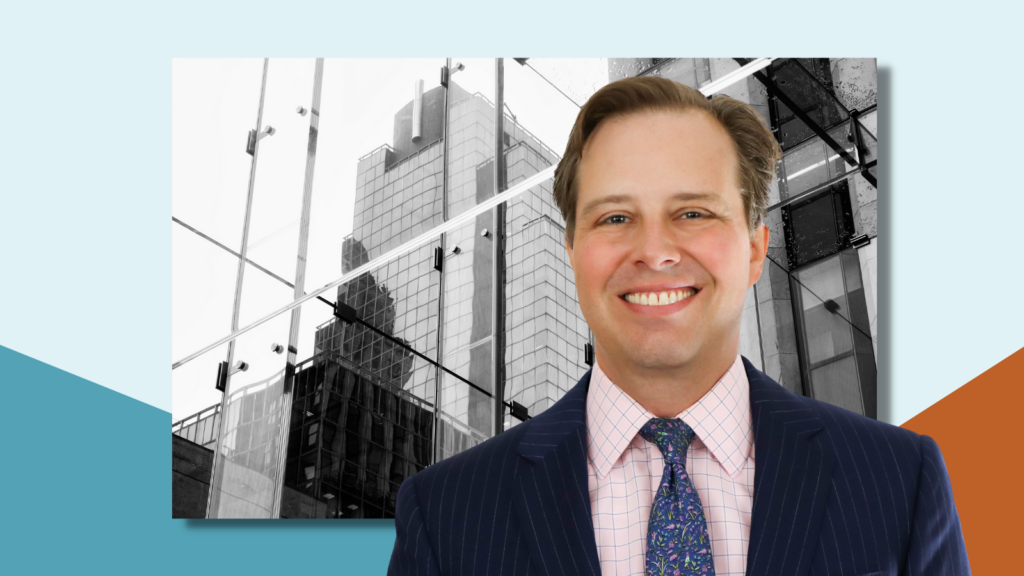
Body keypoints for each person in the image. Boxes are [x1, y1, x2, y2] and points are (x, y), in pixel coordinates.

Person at [388, 76, 969, 576]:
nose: (655, 250)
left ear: (752, 249)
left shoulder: (899, 480)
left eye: (693, 213)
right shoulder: (445, 513)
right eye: (616, 217)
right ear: (573, 251)